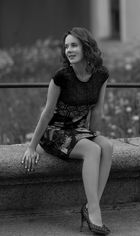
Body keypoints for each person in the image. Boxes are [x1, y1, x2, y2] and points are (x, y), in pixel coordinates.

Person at [21, 27, 113, 235]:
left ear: (86, 47)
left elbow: (97, 109)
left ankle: (91, 205)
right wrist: (32, 147)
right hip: (53, 132)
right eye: (66, 46)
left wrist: (95, 135)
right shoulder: (62, 77)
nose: (68, 50)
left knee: (106, 146)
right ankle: (95, 212)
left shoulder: (101, 75)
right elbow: (47, 113)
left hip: (78, 130)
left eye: (74, 45)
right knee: (92, 150)